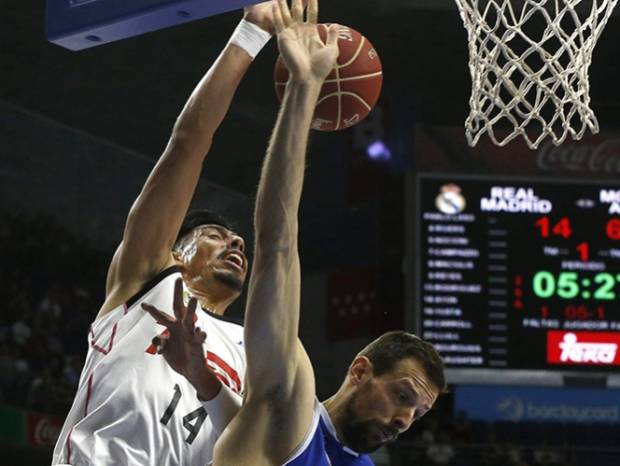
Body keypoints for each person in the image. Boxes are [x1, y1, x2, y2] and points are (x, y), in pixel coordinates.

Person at [143, 1, 447, 465]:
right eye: (404, 397)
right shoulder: (287, 403)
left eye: (418, 413)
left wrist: (205, 381)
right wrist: (303, 93)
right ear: (360, 370)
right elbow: (278, 244)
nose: (407, 420)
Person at [51, 3, 279, 465]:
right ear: (177, 252)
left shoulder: (248, 351)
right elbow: (188, 142)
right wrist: (253, 33)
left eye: (239, 241)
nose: (237, 242)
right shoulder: (150, 279)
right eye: (217, 234)